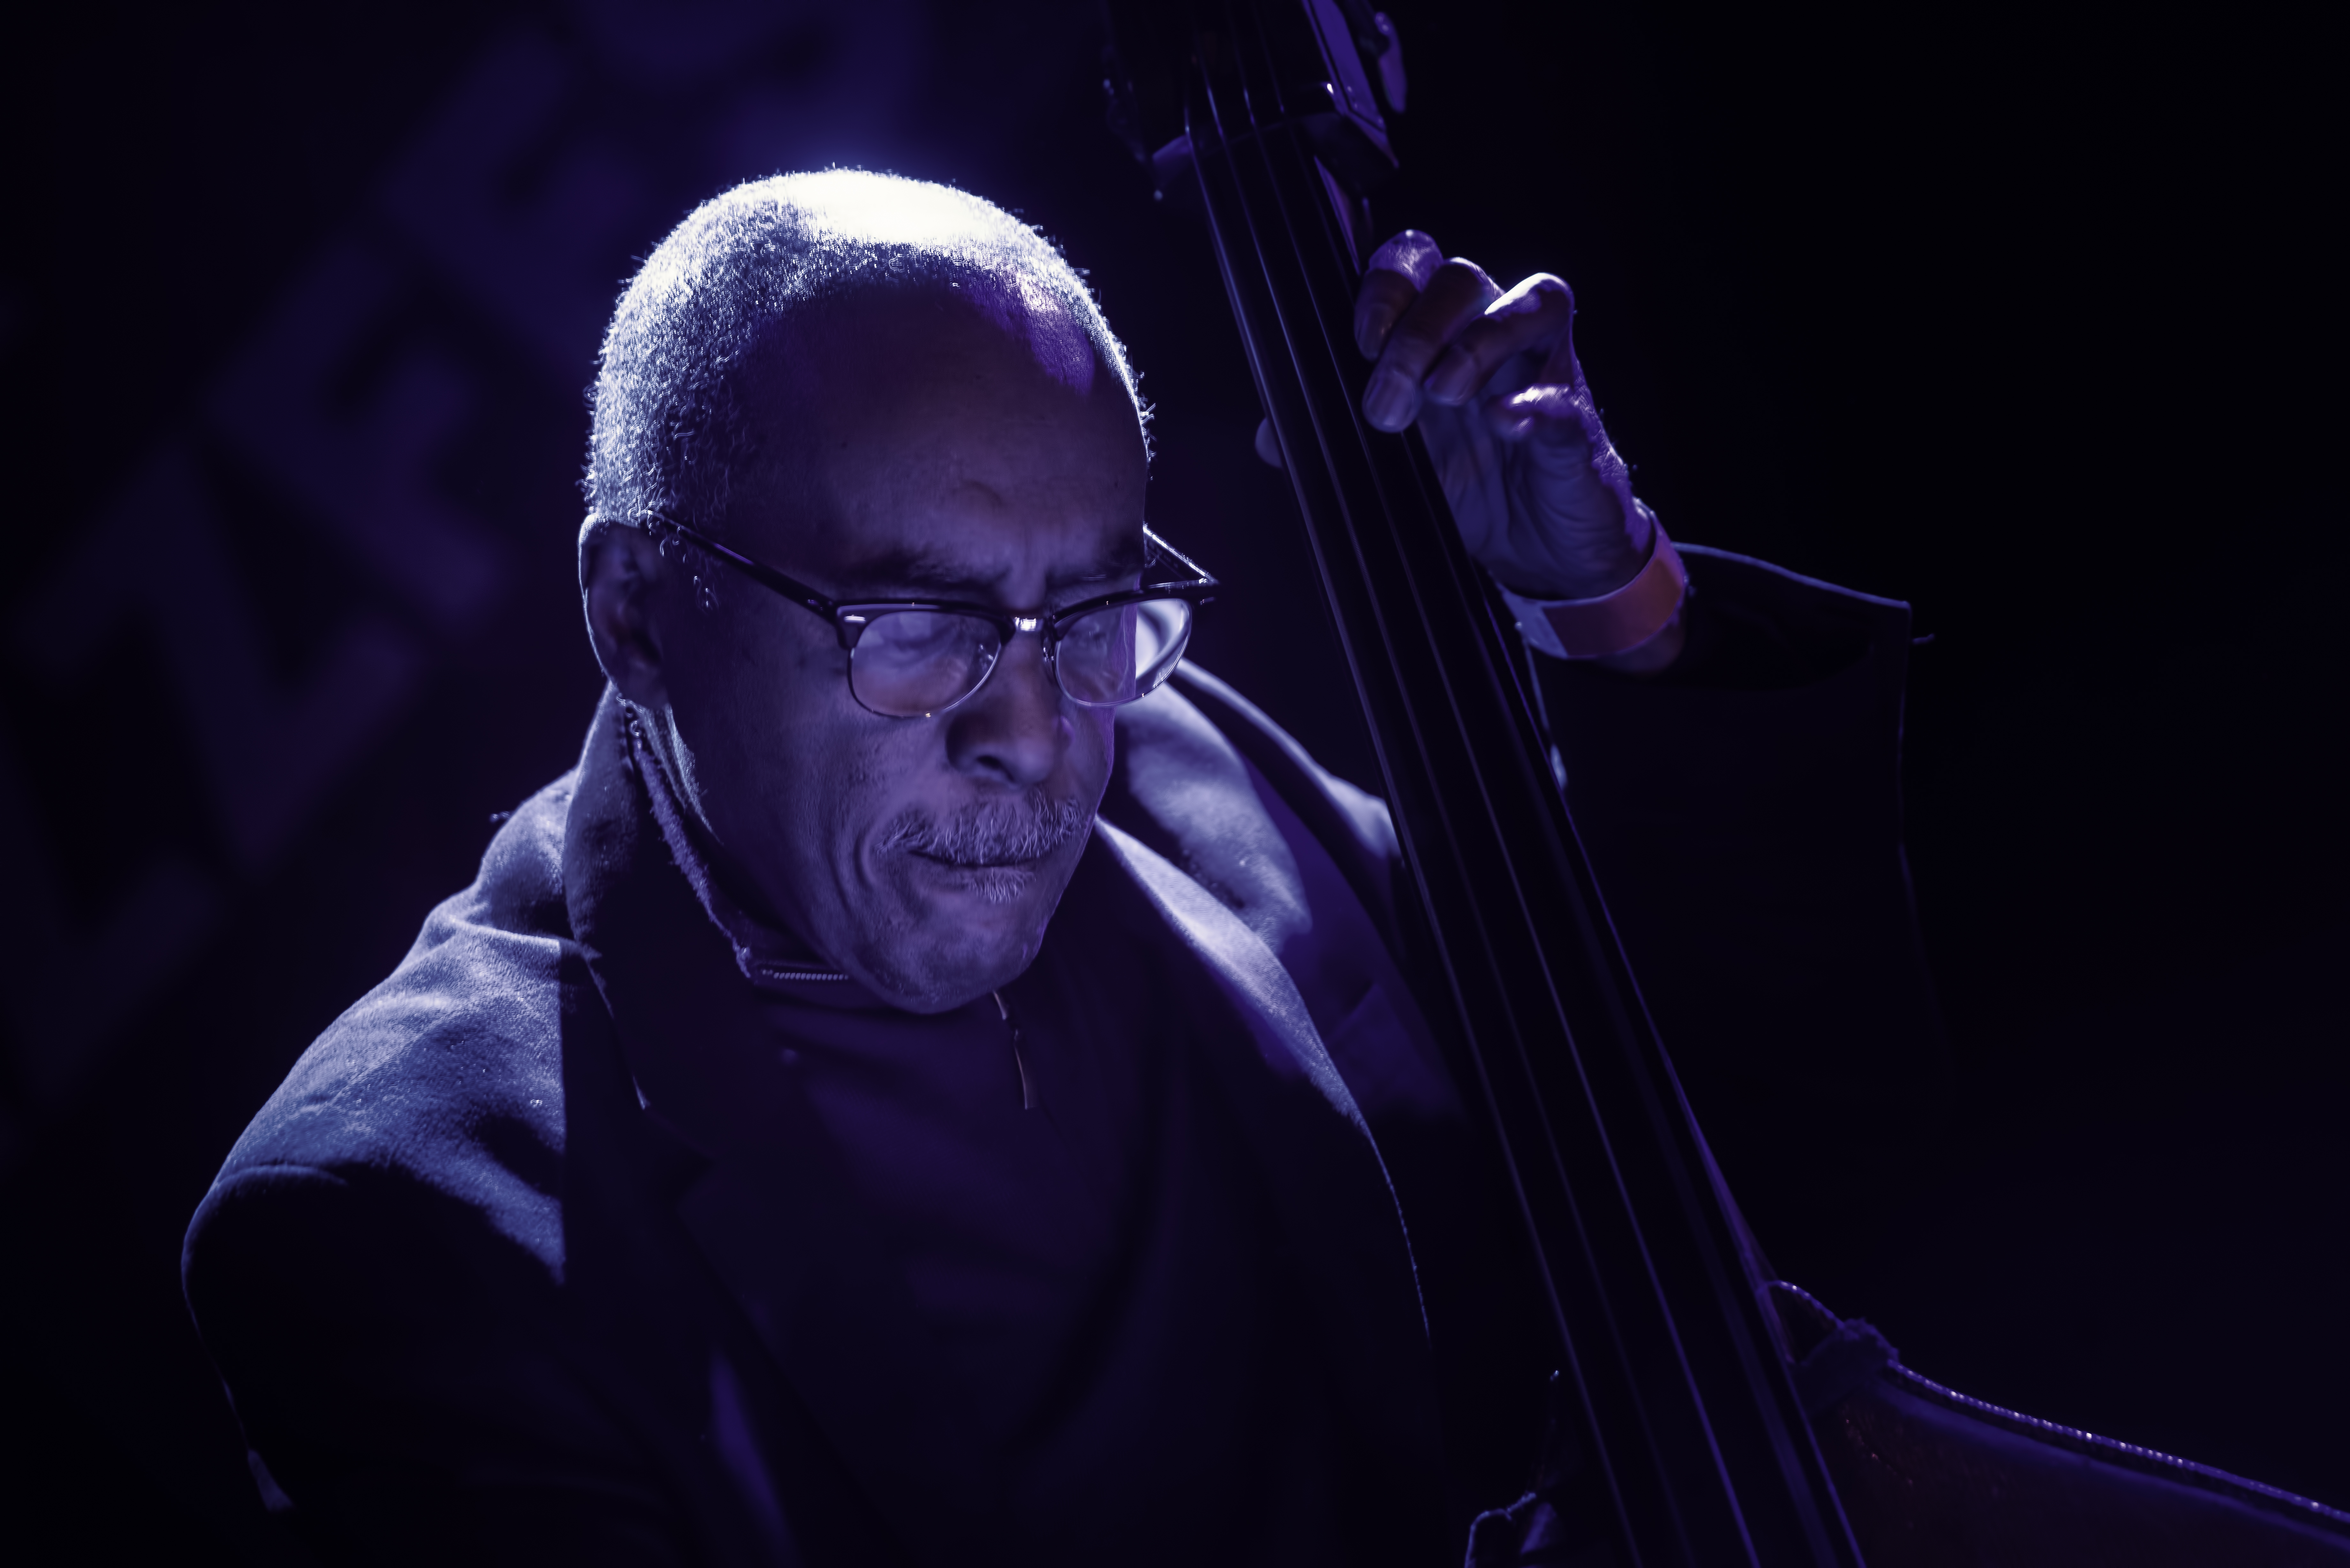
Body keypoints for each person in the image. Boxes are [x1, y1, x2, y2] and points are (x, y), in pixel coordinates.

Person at [180, 171, 2330, 1567]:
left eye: (1090, 613)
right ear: (642, 614)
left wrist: (1616, 618)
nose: (1038, 734)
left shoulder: (1183, 757)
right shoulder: (390, 1221)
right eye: (916, 628)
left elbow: (1797, 1150)